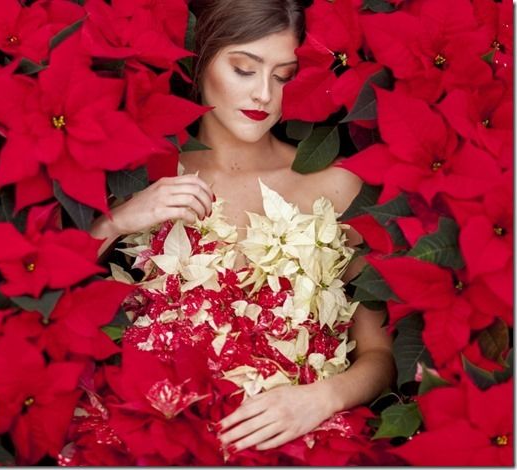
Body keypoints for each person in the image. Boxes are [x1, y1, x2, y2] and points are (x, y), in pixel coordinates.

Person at [89, 0, 395, 457]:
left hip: (296, 443)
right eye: (244, 69)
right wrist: (116, 221)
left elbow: (381, 356)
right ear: (201, 59)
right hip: (154, 444)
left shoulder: (336, 187)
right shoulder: (144, 176)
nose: (264, 96)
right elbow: (52, 308)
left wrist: (321, 398)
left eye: (283, 75)